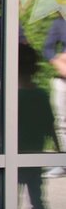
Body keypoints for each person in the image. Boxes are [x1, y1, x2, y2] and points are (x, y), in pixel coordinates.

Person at [0, 44, 57, 209]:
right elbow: (50, 128)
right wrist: (59, 153)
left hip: (7, 160)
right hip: (34, 158)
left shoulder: (5, 98)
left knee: (5, 204)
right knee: (38, 202)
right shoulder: (41, 96)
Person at [42, 16, 66, 177]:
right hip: (62, 79)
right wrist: (59, 63)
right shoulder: (59, 23)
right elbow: (47, 49)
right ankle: (63, 162)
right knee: (61, 122)